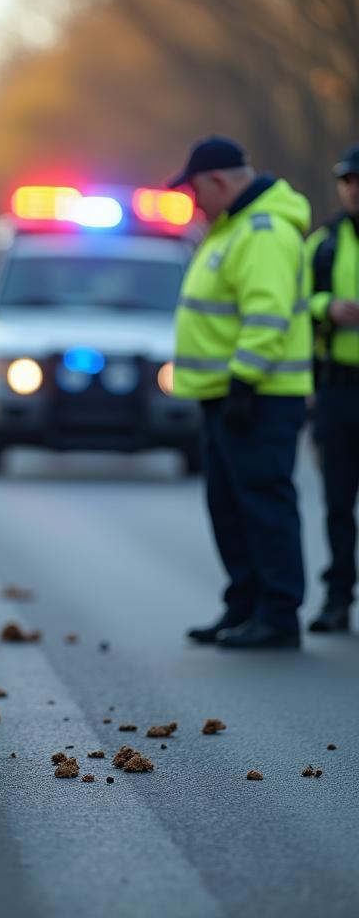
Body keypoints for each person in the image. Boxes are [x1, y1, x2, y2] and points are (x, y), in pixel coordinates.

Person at [168, 136, 312, 649]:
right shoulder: (232, 228)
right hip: (228, 392)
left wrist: (245, 383)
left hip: (259, 393)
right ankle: (245, 604)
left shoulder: (264, 231)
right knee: (229, 504)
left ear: (220, 181)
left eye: (194, 190)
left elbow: (267, 315)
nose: (193, 201)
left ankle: (278, 615)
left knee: (263, 503)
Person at [305, 144, 359, 633]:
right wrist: (327, 308)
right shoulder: (322, 242)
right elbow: (297, 304)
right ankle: (338, 597)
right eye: (349, 180)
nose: (355, 189)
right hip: (338, 389)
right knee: (337, 502)